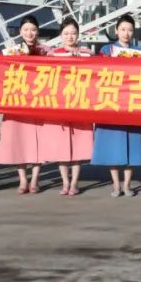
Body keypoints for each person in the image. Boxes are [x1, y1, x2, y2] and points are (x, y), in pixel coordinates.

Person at [94, 15, 141, 197]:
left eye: (130, 30)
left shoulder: (139, 52)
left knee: (131, 144)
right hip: (112, 101)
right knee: (113, 143)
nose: (126, 33)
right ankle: (115, 184)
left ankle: (127, 184)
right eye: (123, 29)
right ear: (116, 31)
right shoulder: (106, 50)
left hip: (132, 101)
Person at [0, 16, 47, 194]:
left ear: (37, 31)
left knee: (38, 142)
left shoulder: (46, 51)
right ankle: (23, 179)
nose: (29, 33)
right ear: (20, 32)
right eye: (26, 30)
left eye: (33, 29)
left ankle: (35, 179)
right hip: (17, 103)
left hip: (39, 103)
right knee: (19, 140)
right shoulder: (13, 51)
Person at [45, 18, 94, 196]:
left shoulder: (87, 53)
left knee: (79, 145)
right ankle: (65, 182)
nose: (70, 37)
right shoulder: (53, 54)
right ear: (61, 35)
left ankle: (74, 183)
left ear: (78, 35)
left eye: (73, 33)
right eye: (66, 33)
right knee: (62, 146)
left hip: (81, 104)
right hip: (60, 105)